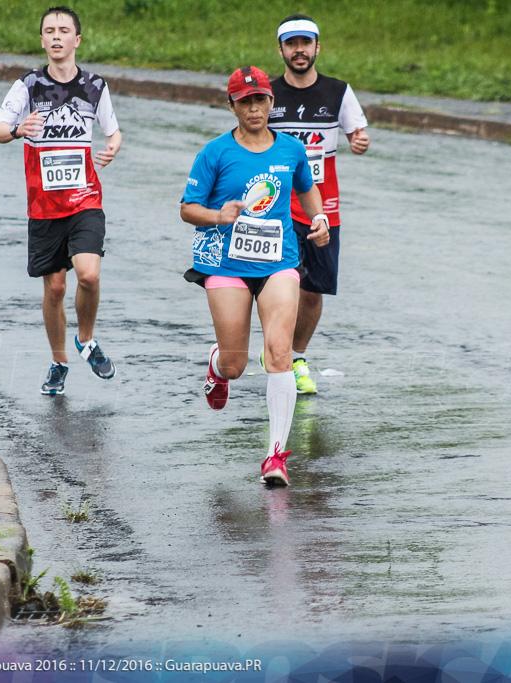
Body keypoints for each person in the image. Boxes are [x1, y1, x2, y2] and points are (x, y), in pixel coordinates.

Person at [180, 66, 330, 486]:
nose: (254, 108)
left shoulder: (290, 150)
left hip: (279, 262)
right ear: (231, 106)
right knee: (236, 363)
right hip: (226, 266)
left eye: (260, 99)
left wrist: (318, 216)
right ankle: (217, 366)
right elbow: (187, 208)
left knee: (279, 353)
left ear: (271, 103)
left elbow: (306, 187)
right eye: (244, 101)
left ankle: (276, 457)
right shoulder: (215, 153)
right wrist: (216, 214)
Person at [0, 6, 122, 395]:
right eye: (50, 31)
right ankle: (59, 361)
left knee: (90, 275)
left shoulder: (95, 86)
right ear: (43, 40)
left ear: (77, 40)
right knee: (56, 289)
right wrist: (18, 129)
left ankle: (86, 339)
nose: (57, 36)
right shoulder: (28, 86)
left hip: (85, 199)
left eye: (64, 30)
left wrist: (111, 148)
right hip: (44, 206)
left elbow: (113, 133)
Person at [267, 14, 369, 394]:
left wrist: (359, 142)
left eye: (305, 43)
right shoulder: (270, 92)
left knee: (314, 289)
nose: (299, 50)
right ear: (281, 50)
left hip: (323, 208)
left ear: (316, 48)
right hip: (275, 206)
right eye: (291, 44)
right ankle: (279, 355)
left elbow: (357, 132)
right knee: (282, 284)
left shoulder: (338, 92)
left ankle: (295, 356)